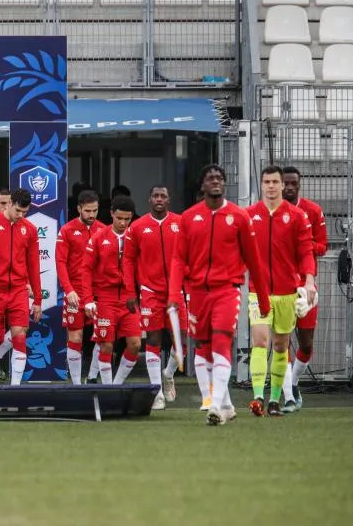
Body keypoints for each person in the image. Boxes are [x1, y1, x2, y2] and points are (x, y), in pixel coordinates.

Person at [168, 164, 270, 426]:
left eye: (220, 178)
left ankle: (214, 404)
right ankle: (224, 404)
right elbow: (179, 259)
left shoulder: (239, 216)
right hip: (197, 292)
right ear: (202, 186)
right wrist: (173, 294)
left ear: (225, 184)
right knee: (203, 348)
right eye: (210, 178)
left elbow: (254, 260)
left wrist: (264, 299)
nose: (216, 181)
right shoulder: (189, 218)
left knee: (222, 342)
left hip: (227, 290)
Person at [245, 166, 316, 418]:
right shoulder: (249, 215)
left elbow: (306, 251)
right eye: (267, 181)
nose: (272, 186)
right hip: (259, 291)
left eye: (275, 181)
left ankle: (275, 399)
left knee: (280, 345)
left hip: (287, 292)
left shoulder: (297, 216)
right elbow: (236, 250)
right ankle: (257, 397)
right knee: (260, 340)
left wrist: (308, 280)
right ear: (261, 184)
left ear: (281, 184)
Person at [123, 185, 184, 410]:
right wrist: (131, 291)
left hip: (177, 291)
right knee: (153, 341)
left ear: (169, 199)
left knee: (181, 339)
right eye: (155, 196)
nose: (159, 199)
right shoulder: (137, 227)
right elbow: (128, 260)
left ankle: (168, 374)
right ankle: (156, 391)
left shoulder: (181, 222)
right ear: (149, 199)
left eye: (163, 196)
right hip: (150, 291)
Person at [0, 189, 42, 386]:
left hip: (18, 291)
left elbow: (34, 265)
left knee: (20, 339)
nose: (21, 215)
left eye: (25, 212)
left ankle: (15, 388)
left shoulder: (30, 229)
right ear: (9, 203)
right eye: (18, 210)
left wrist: (38, 300)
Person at [281, 166, 327, 409]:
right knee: (283, 340)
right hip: (282, 284)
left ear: (299, 185)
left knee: (306, 342)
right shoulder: (273, 212)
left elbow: (323, 246)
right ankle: (288, 393)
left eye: (292, 183)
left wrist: (303, 244)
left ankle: (295, 382)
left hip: (306, 285)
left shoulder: (313, 210)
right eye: (285, 183)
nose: (288, 187)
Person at [83, 196, 140, 385]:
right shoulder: (99, 237)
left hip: (129, 299)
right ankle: (107, 389)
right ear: (112, 214)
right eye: (119, 218)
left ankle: (116, 385)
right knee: (106, 345)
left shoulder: (136, 236)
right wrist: (89, 299)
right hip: (105, 298)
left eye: (127, 219)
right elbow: (86, 269)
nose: (123, 223)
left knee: (135, 345)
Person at [56, 189, 106, 385]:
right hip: (75, 291)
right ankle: (76, 384)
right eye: (87, 211)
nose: (92, 215)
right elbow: (60, 262)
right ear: (79, 209)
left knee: (103, 335)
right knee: (75, 336)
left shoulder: (103, 230)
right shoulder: (67, 230)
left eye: (95, 210)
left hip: (98, 293)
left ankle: (92, 377)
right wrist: (69, 290)